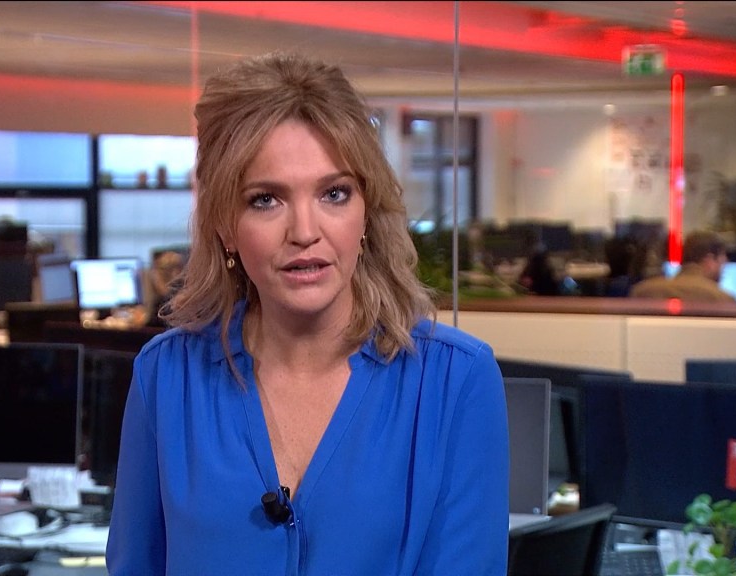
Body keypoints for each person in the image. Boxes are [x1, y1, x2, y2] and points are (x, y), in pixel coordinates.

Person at [106, 52, 509, 575]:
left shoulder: (456, 380)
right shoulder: (166, 376)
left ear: (366, 212)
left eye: (333, 194)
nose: (304, 231)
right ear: (225, 226)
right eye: (265, 200)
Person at [628, 229, 736, 303]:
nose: (723, 269)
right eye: (722, 263)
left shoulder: (642, 291)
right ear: (709, 260)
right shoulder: (722, 299)